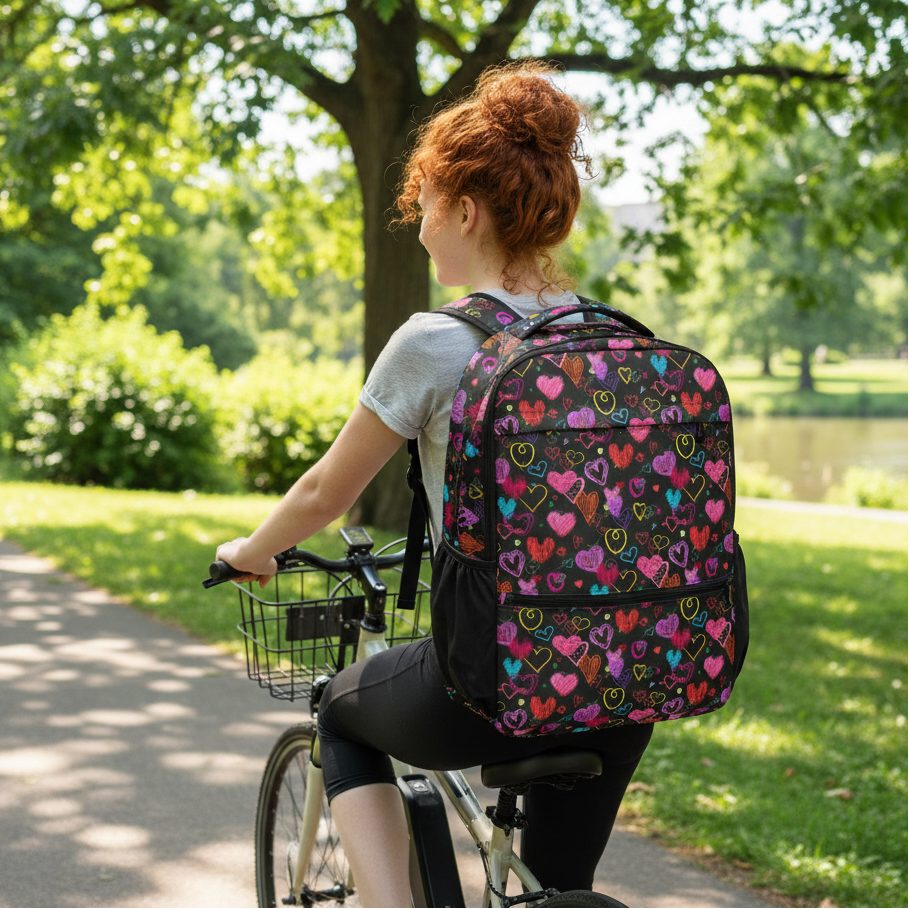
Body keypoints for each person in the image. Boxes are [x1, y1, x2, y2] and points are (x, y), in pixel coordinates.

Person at [215, 61, 653, 908]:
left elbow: (322, 497)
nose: (416, 229)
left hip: (492, 673)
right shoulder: (603, 335)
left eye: (421, 206)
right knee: (557, 889)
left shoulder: (433, 341)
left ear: (463, 207)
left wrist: (250, 551)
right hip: (627, 670)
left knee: (338, 713)